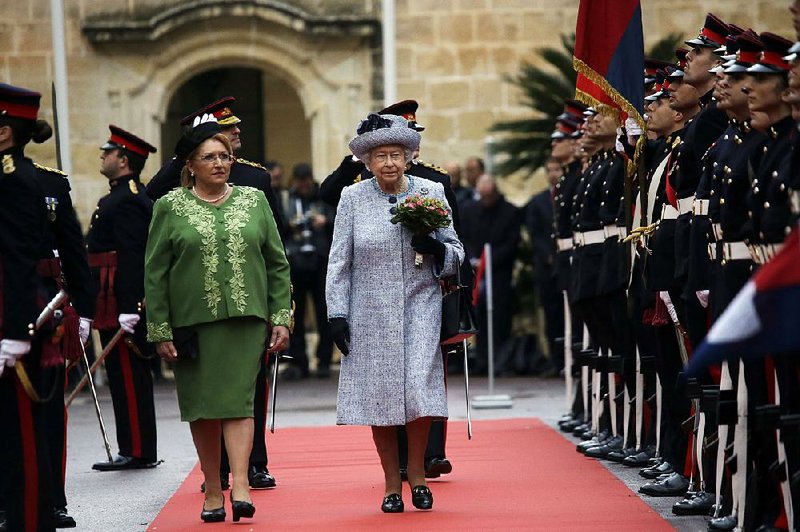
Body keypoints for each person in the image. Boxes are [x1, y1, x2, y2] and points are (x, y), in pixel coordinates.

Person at [144, 117, 291, 523]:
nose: (219, 163)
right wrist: (159, 328)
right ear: (190, 164)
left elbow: (277, 263)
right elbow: (154, 271)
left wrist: (281, 315)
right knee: (202, 408)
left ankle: (240, 483)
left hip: (247, 320)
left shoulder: (253, 200)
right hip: (191, 323)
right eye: (209, 157)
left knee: (240, 402)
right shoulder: (168, 207)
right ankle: (213, 486)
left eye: (224, 156)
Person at [326, 113, 464, 513]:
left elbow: (457, 251)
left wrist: (438, 249)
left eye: (396, 155)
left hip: (420, 303)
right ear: (368, 162)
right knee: (382, 396)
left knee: (419, 390)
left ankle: (418, 476)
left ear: (409, 156)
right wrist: (337, 313)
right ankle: (391, 483)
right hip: (369, 310)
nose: (388, 162)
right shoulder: (352, 198)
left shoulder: (430, 191)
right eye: (381, 156)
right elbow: (340, 262)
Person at [0, 83, 56, 532]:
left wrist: (16, 331)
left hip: (11, 320)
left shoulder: (15, 180)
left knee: (19, 437)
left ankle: (31, 522)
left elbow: (17, 260)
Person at [87, 125, 160, 472]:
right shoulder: (120, 195)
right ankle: (133, 445)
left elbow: (132, 256)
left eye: (109, 152)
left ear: (124, 159)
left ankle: (137, 449)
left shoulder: (128, 199)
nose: (103, 156)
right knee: (121, 374)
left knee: (129, 374)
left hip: (121, 299)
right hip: (111, 296)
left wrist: (130, 308)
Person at [460, 174, 520, 374]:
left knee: (499, 318)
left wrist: (489, 260)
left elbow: (512, 243)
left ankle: (500, 362)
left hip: (498, 274)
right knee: (477, 318)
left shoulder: (509, 212)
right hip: (474, 272)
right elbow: (463, 238)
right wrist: (473, 260)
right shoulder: (468, 211)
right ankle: (482, 360)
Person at [281, 162, 335, 379]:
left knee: (324, 314)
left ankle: (323, 360)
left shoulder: (322, 196)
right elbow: (279, 224)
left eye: (306, 181)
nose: (303, 186)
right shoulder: (287, 198)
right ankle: (299, 361)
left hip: (320, 259)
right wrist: (290, 225)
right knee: (297, 313)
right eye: (300, 182)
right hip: (296, 261)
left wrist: (325, 221)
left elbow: (337, 219)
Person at [525, 157, 564, 372]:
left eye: (557, 169)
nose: (553, 174)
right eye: (550, 169)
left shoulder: (569, 194)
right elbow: (535, 233)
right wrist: (548, 254)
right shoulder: (538, 201)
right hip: (546, 267)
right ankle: (556, 360)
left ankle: (571, 359)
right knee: (552, 314)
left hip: (566, 262)